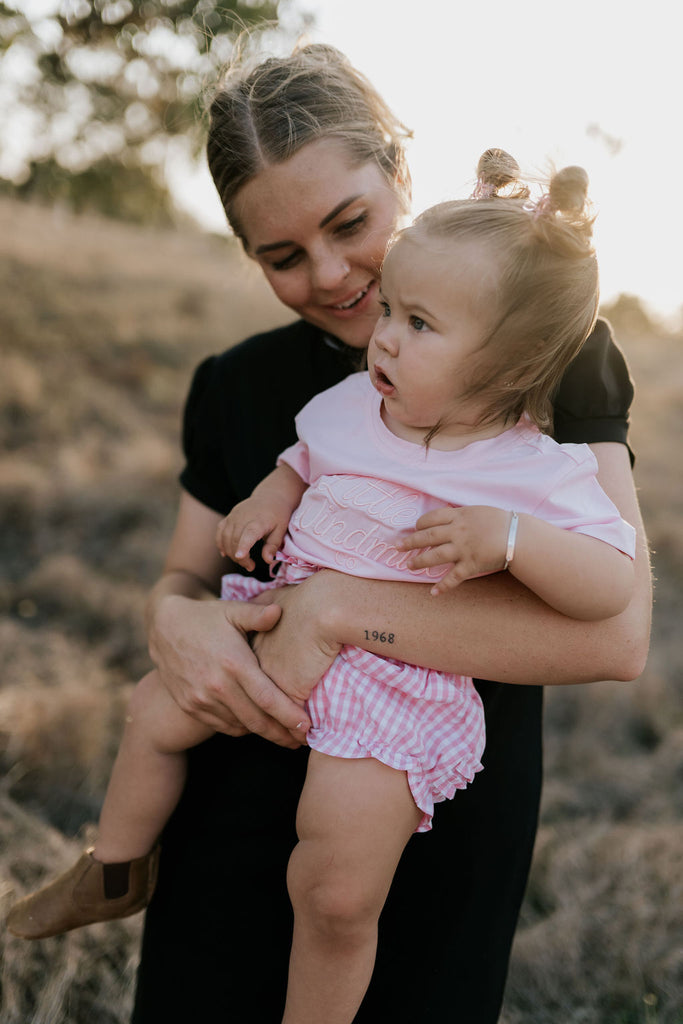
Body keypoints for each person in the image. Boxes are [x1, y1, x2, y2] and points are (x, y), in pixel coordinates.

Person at [7, 44, 652, 1024]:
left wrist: (340, 609)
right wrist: (170, 621)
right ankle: (112, 870)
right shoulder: (237, 384)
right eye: (282, 256)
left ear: (399, 167)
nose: (333, 274)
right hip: (228, 818)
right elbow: (186, 574)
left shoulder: (548, 355)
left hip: (424, 829)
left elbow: (617, 636)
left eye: (350, 224)